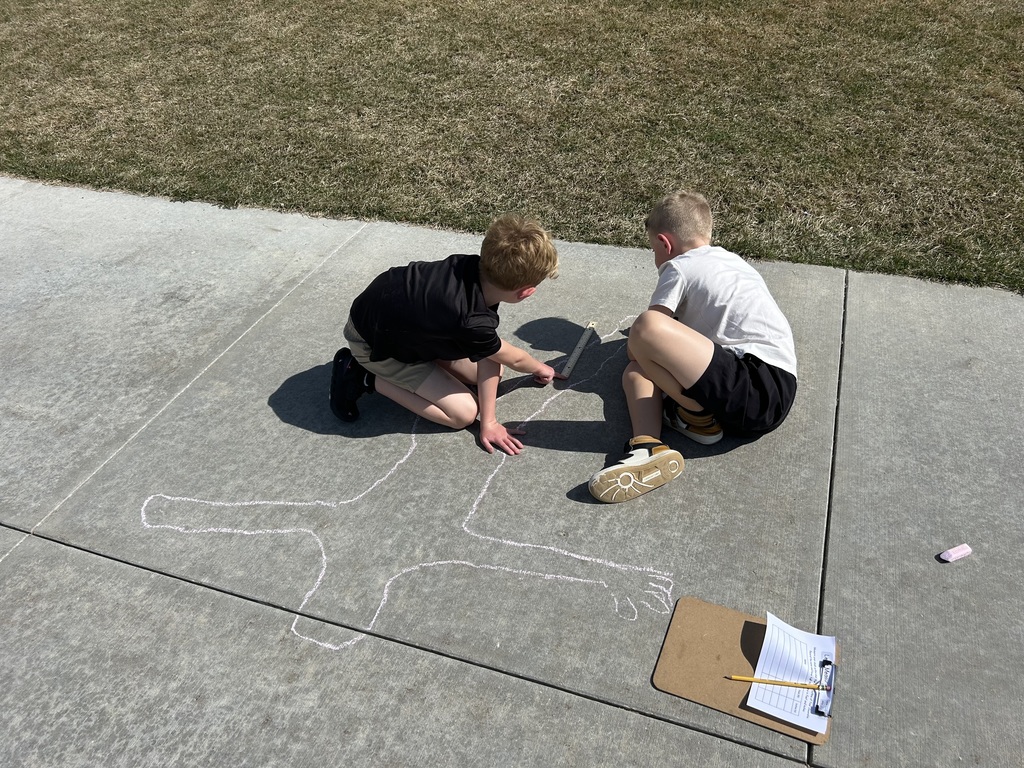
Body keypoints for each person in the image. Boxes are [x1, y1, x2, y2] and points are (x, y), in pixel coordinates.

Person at [588, 191, 798, 503]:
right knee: (637, 373)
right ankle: (647, 447)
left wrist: (643, 342)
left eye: (653, 250)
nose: (655, 260)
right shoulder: (732, 262)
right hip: (767, 390)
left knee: (644, 329)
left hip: (756, 382)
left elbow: (645, 337)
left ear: (665, 243)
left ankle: (696, 414)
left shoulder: (680, 267)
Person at [331, 213, 563, 456]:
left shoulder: (472, 268)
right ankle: (362, 375)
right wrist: (490, 422)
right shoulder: (470, 320)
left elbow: (495, 356)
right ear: (526, 293)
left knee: (494, 371)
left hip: (395, 323)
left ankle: (420, 359)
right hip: (374, 346)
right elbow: (511, 357)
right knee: (463, 413)